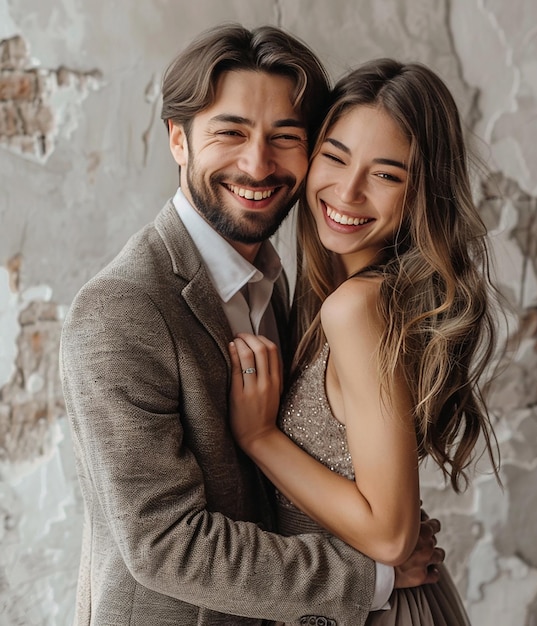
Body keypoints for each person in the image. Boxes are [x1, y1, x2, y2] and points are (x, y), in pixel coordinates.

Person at [59, 25, 444, 626]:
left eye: (285, 137)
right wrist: (372, 577)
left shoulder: (277, 279)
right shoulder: (121, 309)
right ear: (177, 141)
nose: (257, 163)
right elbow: (165, 546)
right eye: (231, 132)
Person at [228, 58, 503, 625]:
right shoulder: (341, 295)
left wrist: (258, 436)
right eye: (335, 156)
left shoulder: (356, 308)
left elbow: (392, 533)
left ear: (421, 194)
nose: (347, 191)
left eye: (386, 175)